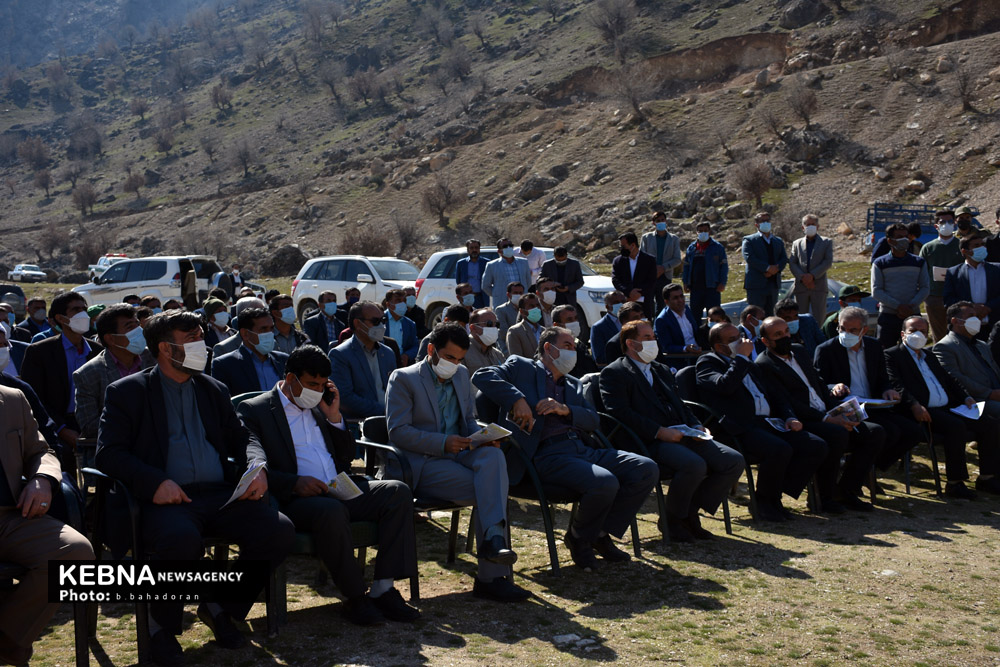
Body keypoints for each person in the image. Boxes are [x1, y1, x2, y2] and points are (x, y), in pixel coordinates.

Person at [95, 310, 295, 664]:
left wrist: (256, 465)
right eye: (191, 340)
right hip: (165, 500)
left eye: (202, 337)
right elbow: (109, 454)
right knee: (180, 540)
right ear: (165, 349)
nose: (202, 346)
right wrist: (155, 481)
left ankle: (221, 607)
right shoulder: (128, 392)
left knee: (277, 529)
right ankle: (161, 627)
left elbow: (243, 437)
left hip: (218, 495)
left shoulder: (212, 388)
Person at [237, 345, 420, 625]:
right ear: (290, 379)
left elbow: (346, 457)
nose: (318, 390)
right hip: (296, 499)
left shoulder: (320, 406)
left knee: (397, 492)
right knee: (331, 511)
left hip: (337, 486)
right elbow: (250, 463)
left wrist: (334, 417)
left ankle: (383, 588)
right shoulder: (256, 409)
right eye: (312, 384)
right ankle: (355, 597)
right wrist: (294, 483)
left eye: (323, 384)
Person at [473, 327, 659, 571]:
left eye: (574, 346)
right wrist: (516, 399)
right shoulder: (521, 366)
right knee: (605, 482)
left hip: (582, 448)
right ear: (548, 348)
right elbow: (482, 375)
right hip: (544, 454)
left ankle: (598, 533)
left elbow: (593, 420)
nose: (574, 351)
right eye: (567, 345)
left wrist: (566, 410)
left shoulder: (573, 384)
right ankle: (580, 539)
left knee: (645, 468)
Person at [387, 324, 528, 601]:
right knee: (493, 488)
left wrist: (483, 437)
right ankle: (491, 575)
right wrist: (442, 442)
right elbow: (398, 432)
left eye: (460, 359)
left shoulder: (462, 375)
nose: (454, 364)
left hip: (461, 452)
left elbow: (468, 420)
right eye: (449, 357)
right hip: (423, 462)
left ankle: (493, 543)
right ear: (431, 350)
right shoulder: (403, 378)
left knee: (494, 456)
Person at [600, 321, 743, 541]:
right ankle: (673, 520)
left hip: (682, 432)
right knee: (694, 465)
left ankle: (689, 513)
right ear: (631, 343)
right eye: (647, 337)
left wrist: (696, 424)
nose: (653, 341)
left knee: (733, 460)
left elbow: (680, 404)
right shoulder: (614, 372)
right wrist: (659, 432)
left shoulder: (660, 369)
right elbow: (620, 412)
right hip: (648, 439)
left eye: (653, 336)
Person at [0, 385, 94, 666]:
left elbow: (42, 451)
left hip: (10, 516)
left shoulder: (12, 398)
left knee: (76, 552)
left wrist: (42, 479)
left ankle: (7, 639)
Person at [695, 323, 827, 521]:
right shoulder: (708, 362)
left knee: (815, 445)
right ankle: (764, 502)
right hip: (738, 426)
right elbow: (724, 386)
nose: (740, 342)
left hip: (767, 422)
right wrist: (740, 358)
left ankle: (776, 494)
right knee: (779, 449)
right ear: (719, 346)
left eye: (739, 336)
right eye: (732, 340)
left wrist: (790, 417)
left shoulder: (749, 363)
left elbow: (776, 395)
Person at [755, 317, 882, 512]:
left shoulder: (798, 350)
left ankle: (846, 490)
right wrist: (827, 418)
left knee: (874, 432)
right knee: (837, 434)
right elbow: (784, 401)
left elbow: (817, 382)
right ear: (766, 341)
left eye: (787, 331)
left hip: (826, 409)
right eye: (778, 335)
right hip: (803, 419)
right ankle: (824, 496)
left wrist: (838, 404)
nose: (785, 337)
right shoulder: (765, 364)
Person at [885, 315, 1000, 497]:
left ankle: (987, 477)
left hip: (947, 407)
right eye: (913, 331)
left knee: (989, 423)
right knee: (956, 426)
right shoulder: (892, 355)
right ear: (903, 333)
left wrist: (966, 398)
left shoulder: (929, 355)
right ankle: (955, 483)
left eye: (923, 331)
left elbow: (950, 380)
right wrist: (914, 404)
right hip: (921, 410)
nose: (918, 335)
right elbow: (896, 384)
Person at [813, 306, 925, 480]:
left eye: (853, 330)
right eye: (842, 328)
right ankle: (856, 478)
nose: (846, 333)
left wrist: (887, 390)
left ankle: (868, 469)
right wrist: (834, 386)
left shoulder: (874, 346)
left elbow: (882, 378)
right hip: (848, 408)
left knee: (913, 431)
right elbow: (818, 383)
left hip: (874, 405)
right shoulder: (826, 349)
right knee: (882, 432)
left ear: (864, 330)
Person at [21, 292, 103, 471]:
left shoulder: (97, 351)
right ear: (60, 318)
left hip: (92, 424)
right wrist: (62, 429)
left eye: (84, 309)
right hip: (55, 425)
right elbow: (33, 398)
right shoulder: (40, 352)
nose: (83, 314)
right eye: (76, 310)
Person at [73, 304, 155, 439]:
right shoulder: (88, 374)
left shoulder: (154, 358)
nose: (139, 331)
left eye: (137, 325)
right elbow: (90, 426)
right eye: (130, 327)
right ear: (110, 338)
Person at [931, 301, 1000, 421]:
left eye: (976, 316)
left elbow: (995, 370)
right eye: (970, 316)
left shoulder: (981, 345)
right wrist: (989, 393)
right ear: (955, 321)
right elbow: (955, 378)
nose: (976, 320)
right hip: (976, 400)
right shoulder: (945, 346)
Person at [329, 301, 396, 420]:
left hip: (391, 419)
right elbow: (344, 398)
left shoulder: (388, 353)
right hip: (359, 423)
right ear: (357, 323)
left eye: (383, 321)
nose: (381, 326)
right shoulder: (340, 355)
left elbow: (395, 390)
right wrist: (383, 411)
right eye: (375, 321)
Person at [871, 222, 930, 347]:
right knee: (886, 352)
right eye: (899, 237)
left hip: (913, 315)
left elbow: (925, 288)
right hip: (888, 316)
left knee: (914, 350)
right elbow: (876, 291)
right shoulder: (880, 263)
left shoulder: (919, 262)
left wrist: (911, 306)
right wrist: (898, 307)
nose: (904, 240)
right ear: (890, 240)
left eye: (905, 236)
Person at [211, 307, 289, 397]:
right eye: (263, 329)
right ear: (245, 334)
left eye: (271, 328)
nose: (269, 333)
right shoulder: (225, 365)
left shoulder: (284, 360)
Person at [943, 234, 1000, 340]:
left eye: (983, 244)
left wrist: (988, 307)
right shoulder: (954, 272)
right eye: (976, 245)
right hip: (965, 328)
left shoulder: (997, 269)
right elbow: (948, 299)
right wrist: (972, 308)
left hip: (993, 326)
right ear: (964, 251)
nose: (982, 248)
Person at [919, 210, 964, 343]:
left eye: (950, 221)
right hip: (934, 296)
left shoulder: (961, 245)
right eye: (942, 222)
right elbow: (921, 272)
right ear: (936, 226)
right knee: (938, 334)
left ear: (954, 223)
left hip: (957, 296)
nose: (946, 225)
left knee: (958, 332)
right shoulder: (928, 247)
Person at [788, 214, 833, 321]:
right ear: (803, 227)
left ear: (817, 226)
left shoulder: (826, 242)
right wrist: (803, 277)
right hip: (801, 287)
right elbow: (792, 263)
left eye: (813, 224)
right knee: (800, 319)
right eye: (808, 224)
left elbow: (827, 262)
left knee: (819, 319)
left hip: (818, 287)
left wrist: (812, 276)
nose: (810, 226)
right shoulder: (797, 243)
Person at [741, 212, 787, 316]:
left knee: (771, 316)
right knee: (756, 315)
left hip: (773, 285)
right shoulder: (749, 240)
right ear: (756, 224)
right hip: (756, 286)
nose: (766, 223)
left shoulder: (778, 241)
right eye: (762, 221)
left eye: (767, 220)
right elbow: (750, 258)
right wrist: (767, 268)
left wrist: (776, 269)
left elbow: (784, 258)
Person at [681, 222, 728, 321]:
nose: (703, 233)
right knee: (694, 316)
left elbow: (724, 266)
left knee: (714, 315)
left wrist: (722, 283)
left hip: (712, 287)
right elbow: (686, 266)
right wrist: (685, 282)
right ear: (696, 232)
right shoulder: (691, 248)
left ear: (709, 231)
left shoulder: (717, 247)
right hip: (695, 288)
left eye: (705, 231)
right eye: (700, 231)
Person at [640, 212, 683, 313]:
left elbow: (677, 259)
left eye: (662, 220)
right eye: (658, 221)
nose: (660, 222)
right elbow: (642, 257)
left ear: (666, 221)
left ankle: (661, 323)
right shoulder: (646, 238)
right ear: (654, 223)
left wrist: (663, 268)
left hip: (665, 277)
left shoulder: (674, 239)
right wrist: (653, 269)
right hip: (649, 276)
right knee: (648, 305)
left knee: (663, 305)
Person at [612, 232, 658, 319]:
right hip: (626, 304)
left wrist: (638, 293)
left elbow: (652, 281)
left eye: (623, 246)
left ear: (633, 245)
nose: (621, 249)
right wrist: (629, 292)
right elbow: (616, 280)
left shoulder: (649, 260)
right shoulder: (618, 261)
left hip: (645, 305)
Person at [653, 283, 701, 363]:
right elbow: (667, 347)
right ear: (666, 302)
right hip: (680, 359)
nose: (680, 300)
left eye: (681, 296)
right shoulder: (662, 320)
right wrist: (685, 348)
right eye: (675, 298)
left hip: (698, 354)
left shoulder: (686, 309)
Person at [482, 238, 532, 309]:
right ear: (499, 251)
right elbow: (485, 286)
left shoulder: (523, 262)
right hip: (502, 303)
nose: (508, 248)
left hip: (522, 301)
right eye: (505, 246)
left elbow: (528, 282)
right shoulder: (492, 265)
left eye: (510, 245)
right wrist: (498, 294)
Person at [551, 305, 598, 377]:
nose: (575, 322)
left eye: (576, 318)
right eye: (569, 320)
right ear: (556, 325)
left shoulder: (579, 345)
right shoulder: (552, 349)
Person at [603, 302, 647, 366]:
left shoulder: (650, 337)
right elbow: (616, 369)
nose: (640, 319)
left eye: (642, 315)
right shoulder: (614, 344)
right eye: (636, 317)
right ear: (625, 323)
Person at [590, 291, 626, 367]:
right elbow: (600, 358)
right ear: (607, 307)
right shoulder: (598, 327)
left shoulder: (631, 321)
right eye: (616, 302)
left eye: (623, 301)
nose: (621, 305)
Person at [383, 289, 418, 366]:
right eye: (398, 300)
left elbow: (415, 345)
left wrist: (407, 355)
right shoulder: (379, 320)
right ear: (388, 304)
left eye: (404, 301)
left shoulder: (410, 324)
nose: (402, 304)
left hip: (401, 364)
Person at [464, 308, 505, 374]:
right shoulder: (462, 351)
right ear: (473, 328)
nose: (494, 328)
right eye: (489, 324)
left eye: (496, 324)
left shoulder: (498, 354)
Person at [506, 292, 544, 358]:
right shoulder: (515, 331)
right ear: (522, 311)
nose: (536, 308)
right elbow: (517, 359)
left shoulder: (544, 331)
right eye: (532, 306)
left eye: (538, 305)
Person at [455, 239, 488, 309]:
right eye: (471, 248)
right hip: (466, 298)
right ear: (468, 250)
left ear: (479, 249)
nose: (474, 250)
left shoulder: (486, 263)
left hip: (481, 298)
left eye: (476, 248)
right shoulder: (461, 263)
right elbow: (458, 281)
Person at [494, 281, 525, 356]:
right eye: (515, 293)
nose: (519, 295)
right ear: (508, 294)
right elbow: (503, 332)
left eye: (521, 293)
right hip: (508, 348)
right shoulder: (501, 310)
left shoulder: (526, 309)